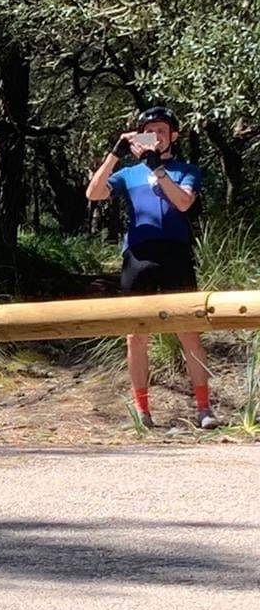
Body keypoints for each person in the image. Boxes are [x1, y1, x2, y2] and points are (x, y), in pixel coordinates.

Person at [83, 106, 216, 429]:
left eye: (161, 131)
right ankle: (142, 411)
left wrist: (158, 168)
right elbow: (94, 193)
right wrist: (115, 154)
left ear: (173, 136)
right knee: (136, 335)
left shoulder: (186, 170)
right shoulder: (128, 174)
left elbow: (183, 203)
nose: (155, 136)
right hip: (138, 257)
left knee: (189, 331)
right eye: (149, 131)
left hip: (176, 255)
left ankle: (204, 408)